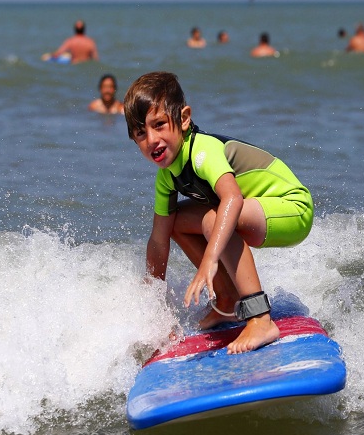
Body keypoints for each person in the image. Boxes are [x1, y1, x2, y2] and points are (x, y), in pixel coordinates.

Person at [123, 72, 313, 354]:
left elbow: (232, 199)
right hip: (256, 211)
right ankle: (227, 301)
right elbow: (159, 240)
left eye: (159, 124)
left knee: (215, 219)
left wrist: (210, 259)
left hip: (292, 208)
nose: (151, 139)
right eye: (141, 133)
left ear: (184, 119)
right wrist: (153, 305)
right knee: (174, 221)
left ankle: (260, 317)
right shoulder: (166, 178)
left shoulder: (203, 151)